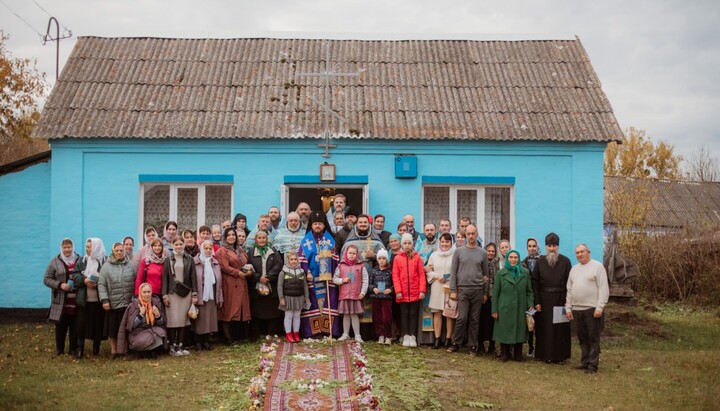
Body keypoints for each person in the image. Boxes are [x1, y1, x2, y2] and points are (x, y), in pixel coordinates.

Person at [565, 244, 609, 374]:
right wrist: (568, 308)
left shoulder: (598, 267)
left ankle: (593, 365)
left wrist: (600, 307)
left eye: (582, 252)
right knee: (582, 337)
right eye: (577, 253)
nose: (579, 254)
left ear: (588, 252)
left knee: (593, 338)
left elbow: (603, 288)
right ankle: (584, 361)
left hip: (592, 309)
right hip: (577, 309)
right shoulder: (574, 269)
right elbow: (569, 290)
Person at [299, 211, 342, 338]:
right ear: (311, 225)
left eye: (320, 224)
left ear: (324, 225)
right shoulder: (306, 241)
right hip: (312, 278)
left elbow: (335, 259)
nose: (317, 226)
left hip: (328, 279)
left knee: (329, 303)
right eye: (315, 224)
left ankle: (330, 331)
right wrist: (307, 273)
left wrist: (332, 274)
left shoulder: (330, 240)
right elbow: (301, 260)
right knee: (313, 304)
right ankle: (313, 332)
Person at [447, 225, 488, 355]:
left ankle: (472, 345)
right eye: (468, 234)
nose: (471, 236)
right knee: (462, 318)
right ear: (466, 235)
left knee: (474, 319)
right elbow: (453, 272)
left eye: (473, 233)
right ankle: (456, 343)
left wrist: (485, 292)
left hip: (477, 290)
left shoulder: (483, 253)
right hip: (462, 290)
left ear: (477, 234)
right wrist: (453, 290)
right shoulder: (458, 252)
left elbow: (486, 275)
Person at [532, 233, 572, 363]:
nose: (552, 248)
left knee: (560, 329)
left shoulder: (566, 261)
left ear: (558, 247)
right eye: (549, 246)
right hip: (543, 301)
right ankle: (544, 355)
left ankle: (560, 356)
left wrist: (568, 303)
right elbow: (535, 283)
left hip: (561, 299)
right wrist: (537, 301)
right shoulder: (540, 262)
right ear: (545, 247)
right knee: (545, 328)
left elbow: (569, 283)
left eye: (554, 246)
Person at [492, 249, 534, 362]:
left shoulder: (525, 272)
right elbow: (495, 293)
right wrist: (494, 309)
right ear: (507, 259)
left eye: (516, 258)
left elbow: (529, 291)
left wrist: (530, 304)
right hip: (505, 307)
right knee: (505, 330)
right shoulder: (501, 273)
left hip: (521, 306)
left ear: (519, 259)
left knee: (520, 330)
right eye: (511, 257)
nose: (513, 260)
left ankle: (518, 354)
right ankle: (505, 354)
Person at [43, 238, 82, 358]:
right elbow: (46, 279)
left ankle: (73, 349)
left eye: (69, 247)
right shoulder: (54, 262)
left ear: (73, 247)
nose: (67, 250)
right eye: (64, 247)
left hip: (76, 300)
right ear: (61, 248)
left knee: (74, 326)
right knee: (61, 326)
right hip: (61, 301)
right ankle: (59, 349)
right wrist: (60, 285)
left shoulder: (80, 260)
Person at [98, 242, 137, 357]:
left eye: (121, 250)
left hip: (127, 302)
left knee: (125, 328)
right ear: (113, 252)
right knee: (112, 329)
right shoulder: (106, 266)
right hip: (113, 303)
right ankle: (114, 351)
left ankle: (124, 350)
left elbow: (136, 280)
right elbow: (101, 284)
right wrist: (104, 300)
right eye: (117, 251)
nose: (119, 252)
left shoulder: (131, 264)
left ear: (124, 251)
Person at [162, 236, 198, 356]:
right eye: (176, 244)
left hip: (185, 293)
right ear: (172, 245)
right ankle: (173, 346)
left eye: (180, 244)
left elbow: (193, 277)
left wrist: (194, 293)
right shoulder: (168, 259)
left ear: (183, 245)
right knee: (173, 320)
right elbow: (165, 279)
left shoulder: (189, 259)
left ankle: (181, 345)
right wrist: (164, 295)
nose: (178, 247)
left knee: (183, 319)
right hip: (172, 294)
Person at [216, 227, 251, 345]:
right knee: (229, 309)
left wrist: (249, 271)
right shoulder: (222, 250)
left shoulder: (239, 250)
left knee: (239, 309)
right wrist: (237, 272)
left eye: (233, 235)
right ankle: (228, 338)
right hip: (230, 282)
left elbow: (245, 263)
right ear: (225, 237)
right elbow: (224, 267)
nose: (231, 237)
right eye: (229, 235)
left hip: (241, 282)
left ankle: (237, 336)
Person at [248, 230, 284, 338]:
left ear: (267, 239)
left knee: (272, 311)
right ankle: (257, 334)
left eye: (264, 238)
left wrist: (267, 277)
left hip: (271, 285)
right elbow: (248, 267)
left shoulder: (273, 251)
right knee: (257, 310)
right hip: (256, 287)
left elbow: (278, 265)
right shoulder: (250, 252)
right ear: (256, 240)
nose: (262, 240)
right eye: (259, 238)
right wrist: (258, 277)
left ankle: (271, 333)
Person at [392, 233, 426, 348]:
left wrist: (422, 290)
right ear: (402, 244)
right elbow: (395, 276)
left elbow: (421, 274)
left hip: (415, 291)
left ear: (412, 244)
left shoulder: (416, 257)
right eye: (405, 243)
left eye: (409, 243)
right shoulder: (397, 258)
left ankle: (412, 335)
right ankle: (405, 335)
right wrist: (398, 291)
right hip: (403, 292)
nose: (407, 245)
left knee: (413, 314)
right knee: (404, 314)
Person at [117, 282, 166, 358]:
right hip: (137, 332)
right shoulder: (133, 305)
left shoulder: (156, 303)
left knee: (161, 334)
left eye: (149, 292)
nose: (147, 294)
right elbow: (131, 326)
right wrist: (141, 314)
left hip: (152, 329)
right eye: (144, 292)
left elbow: (161, 323)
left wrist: (157, 315)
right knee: (143, 340)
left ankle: (148, 352)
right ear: (140, 293)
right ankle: (142, 352)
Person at [77, 238, 107, 356]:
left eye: (90, 247)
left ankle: (96, 348)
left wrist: (98, 283)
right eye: (87, 246)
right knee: (81, 325)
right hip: (84, 300)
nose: (87, 249)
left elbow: (107, 277)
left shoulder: (104, 261)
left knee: (97, 325)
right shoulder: (82, 260)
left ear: (96, 247)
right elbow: (75, 275)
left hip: (98, 300)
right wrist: (84, 280)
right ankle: (80, 349)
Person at [334, 245, 369, 343]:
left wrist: (362, 292)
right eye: (350, 253)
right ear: (346, 253)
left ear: (356, 254)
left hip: (355, 296)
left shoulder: (361, 266)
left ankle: (357, 335)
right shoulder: (341, 266)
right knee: (346, 315)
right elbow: (334, 279)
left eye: (354, 253)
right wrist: (342, 280)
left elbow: (365, 280)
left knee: (354, 315)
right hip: (344, 295)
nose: (351, 255)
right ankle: (345, 334)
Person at [426, 232, 455, 349]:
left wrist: (450, 278)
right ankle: (437, 339)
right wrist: (437, 276)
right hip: (437, 286)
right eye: (442, 241)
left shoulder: (455, 254)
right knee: (437, 313)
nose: (444, 244)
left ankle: (448, 339)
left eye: (447, 242)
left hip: (450, 286)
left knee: (449, 313)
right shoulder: (434, 255)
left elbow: (457, 270)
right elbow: (428, 269)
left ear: (451, 243)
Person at [193, 240, 223, 350]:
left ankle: (206, 341)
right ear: (202, 249)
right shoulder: (195, 261)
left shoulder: (215, 262)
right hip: (200, 295)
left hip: (211, 294)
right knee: (199, 320)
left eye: (210, 248)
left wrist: (220, 297)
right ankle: (198, 342)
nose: (208, 250)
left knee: (209, 319)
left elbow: (219, 282)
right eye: (206, 248)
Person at [278, 251, 310, 343]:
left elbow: (305, 285)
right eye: (291, 259)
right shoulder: (283, 271)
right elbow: (280, 285)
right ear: (288, 260)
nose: (293, 261)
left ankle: (296, 334)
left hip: (299, 297)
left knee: (297, 316)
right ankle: (288, 334)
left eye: (295, 259)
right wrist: (281, 298)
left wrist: (306, 297)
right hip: (288, 297)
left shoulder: (301, 271)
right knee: (288, 315)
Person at [369, 249, 393, 345]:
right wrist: (373, 288)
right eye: (380, 258)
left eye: (384, 258)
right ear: (377, 260)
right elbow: (369, 284)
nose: (382, 260)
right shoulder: (374, 271)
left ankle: (388, 336)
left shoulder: (390, 271)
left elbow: (395, 284)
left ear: (387, 260)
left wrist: (390, 290)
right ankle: (380, 335)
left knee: (386, 317)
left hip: (387, 297)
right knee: (377, 317)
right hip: (376, 297)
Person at [522, 237, 541, 357]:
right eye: (529, 246)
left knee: (539, 323)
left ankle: (540, 348)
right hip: (528, 296)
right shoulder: (523, 262)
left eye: (534, 246)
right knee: (529, 322)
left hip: (540, 296)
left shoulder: (542, 261)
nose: (532, 248)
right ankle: (530, 347)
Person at [478, 242, 497, 355]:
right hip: (482, 296)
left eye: (493, 251)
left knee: (493, 322)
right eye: (488, 251)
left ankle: (492, 345)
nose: (490, 253)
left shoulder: (497, 264)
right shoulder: (481, 263)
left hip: (494, 297)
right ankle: (480, 344)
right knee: (481, 321)